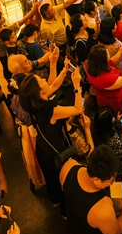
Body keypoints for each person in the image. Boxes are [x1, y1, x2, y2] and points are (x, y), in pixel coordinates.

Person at [19, 63, 83, 209]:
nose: (43, 79)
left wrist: (64, 71)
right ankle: (66, 209)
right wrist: (77, 86)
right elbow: (77, 109)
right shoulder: (51, 110)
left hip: (43, 147)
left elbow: (53, 85)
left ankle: (54, 200)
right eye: (40, 81)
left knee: (50, 177)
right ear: (40, 93)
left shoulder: (33, 103)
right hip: (57, 152)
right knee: (62, 179)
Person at [59, 146, 122, 234]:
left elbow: (65, 190)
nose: (111, 184)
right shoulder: (103, 209)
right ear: (96, 179)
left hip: (75, 228)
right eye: (110, 181)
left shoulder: (68, 166)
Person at [86, 43, 122, 115]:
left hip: (103, 98)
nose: (109, 54)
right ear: (102, 60)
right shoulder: (106, 79)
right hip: (114, 101)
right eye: (107, 54)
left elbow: (111, 62)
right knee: (117, 115)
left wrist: (120, 52)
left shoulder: (92, 68)